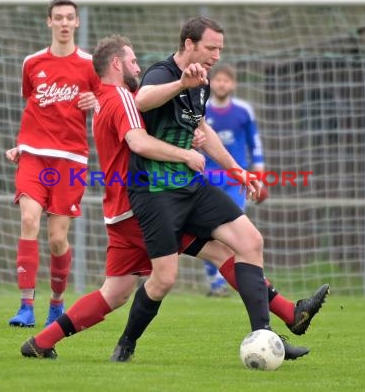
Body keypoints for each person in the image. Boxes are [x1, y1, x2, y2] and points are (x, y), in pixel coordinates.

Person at [17, 35, 326, 360]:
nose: (139, 66)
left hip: (120, 211)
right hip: (142, 206)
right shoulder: (121, 97)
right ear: (117, 64)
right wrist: (184, 154)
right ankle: (286, 316)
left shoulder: (108, 98)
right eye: (134, 61)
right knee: (221, 254)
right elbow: (138, 142)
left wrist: (187, 132)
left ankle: (41, 342)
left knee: (116, 291)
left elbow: (145, 129)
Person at [110, 17, 327, 362]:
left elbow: (204, 131)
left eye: (220, 49)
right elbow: (142, 101)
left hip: (191, 186)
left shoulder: (202, 82)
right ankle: (126, 344)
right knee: (164, 279)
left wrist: (237, 171)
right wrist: (181, 83)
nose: (216, 55)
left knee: (250, 241)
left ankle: (266, 336)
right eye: (211, 47)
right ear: (188, 44)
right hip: (155, 192)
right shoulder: (162, 73)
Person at [7, 0, 100, 328]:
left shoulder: (90, 65)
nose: (63, 23)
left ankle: (56, 305)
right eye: (58, 17)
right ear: (49, 22)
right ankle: (26, 307)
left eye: (69, 18)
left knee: (57, 239)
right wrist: (22, 145)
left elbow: (106, 103)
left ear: (76, 23)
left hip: (71, 161)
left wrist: (96, 101)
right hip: (33, 155)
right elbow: (30, 103)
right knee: (29, 221)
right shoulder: (32, 63)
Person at [201, 63, 267, 297]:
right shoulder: (201, 108)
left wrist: (259, 177)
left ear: (233, 84)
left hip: (234, 181)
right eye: (217, 80)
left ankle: (222, 280)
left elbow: (255, 144)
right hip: (206, 180)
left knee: (232, 232)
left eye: (226, 80)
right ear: (211, 82)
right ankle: (214, 281)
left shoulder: (243, 111)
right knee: (209, 233)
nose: (221, 84)